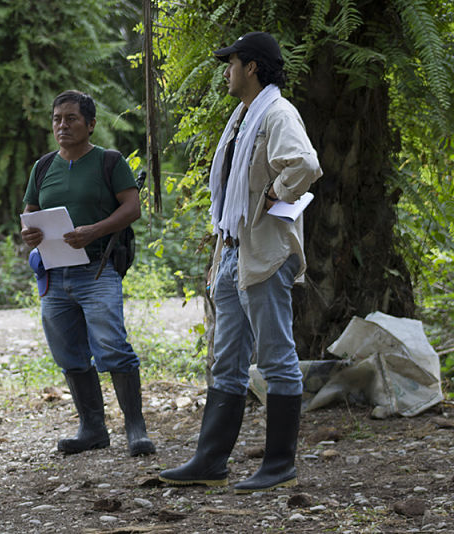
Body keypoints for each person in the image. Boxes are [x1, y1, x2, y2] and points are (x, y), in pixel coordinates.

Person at [158, 32, 322, 493]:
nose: (225, 71)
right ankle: (210, 460)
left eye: (230, 63)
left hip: (266, 254)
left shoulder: (277, 112)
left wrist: (274, 193)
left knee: (276, 357)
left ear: (251, 67)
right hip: (233, 250)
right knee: (226, 359)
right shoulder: (243, 116)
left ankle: (279, 464)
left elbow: (305, 164)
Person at [20, 90, 155, 457]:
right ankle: (92, 428)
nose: (62, 125)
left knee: (112, 346)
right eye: (57, 119)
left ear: (91, 124)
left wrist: (94, 230)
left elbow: (132, 209)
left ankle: (135, 428)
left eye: (71, 118)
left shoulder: (109, 162)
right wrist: (29, 233)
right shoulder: (43, 166)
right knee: (68, 352)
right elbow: (31, 212)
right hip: (53, 274)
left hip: (97, 271)